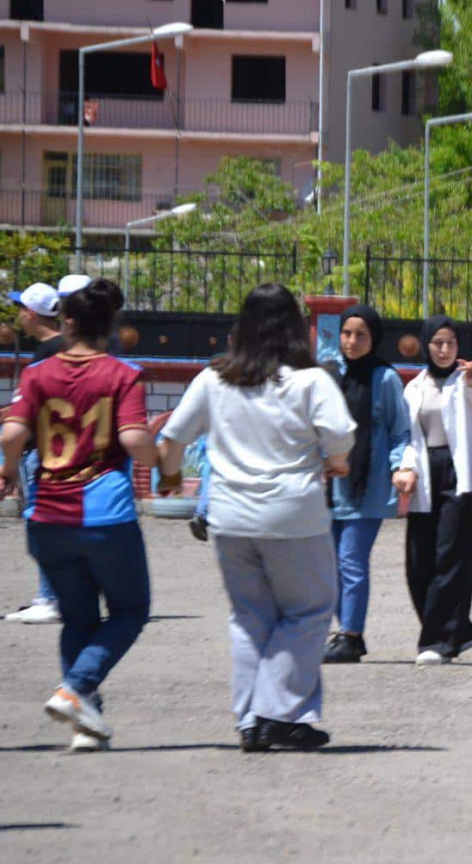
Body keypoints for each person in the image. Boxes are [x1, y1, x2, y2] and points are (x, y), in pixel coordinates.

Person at [158, 284, 355, 751]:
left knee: (249, 618)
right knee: (309, 610)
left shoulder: (214, 378)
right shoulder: (309, 381)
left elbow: (172, 438)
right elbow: (340, 435)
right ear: (296, 328)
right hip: (293, 516)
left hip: (230, 517)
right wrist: (336, 462)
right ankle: (274, 712)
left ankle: (252, 720)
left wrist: (170, 479)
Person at [0, 279, 155, 752]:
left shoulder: (37, 374)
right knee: (130, 610)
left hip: (47, 513)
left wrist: (8, 470)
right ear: (109, 325)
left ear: (66, 323)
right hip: (104, 513)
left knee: (77, 617)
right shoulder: (123, 373)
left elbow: (11, 434)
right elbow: (133, 440)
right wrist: (160, 459)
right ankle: (76, 688)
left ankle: (86, 724)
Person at [322, 303, 411, 665]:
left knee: (351, 560)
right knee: (327, 564)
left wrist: (399, 467)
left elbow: (400, 430)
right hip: (327, 487)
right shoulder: (327, 374)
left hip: (367, 486)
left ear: (374, 338)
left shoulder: (384, 378)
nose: (352, 341)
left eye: (361, 335)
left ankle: (351, 635)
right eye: (347, 333)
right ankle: (346, 630)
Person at [399, 316, 472, 666]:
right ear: (427, 344)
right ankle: (461, 631)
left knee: (450, 559)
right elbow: (408, 436)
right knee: (418, 563)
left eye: (451, 342)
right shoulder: (414, 387)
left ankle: (439, 642)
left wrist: (470, 379)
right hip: (425, 471)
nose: (445, 349)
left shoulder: (467, 380)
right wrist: (405, 468)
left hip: (459, 474)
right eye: (438, 342)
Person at [4, 281, 65, 624]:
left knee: (42, 523)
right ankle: (55, 595)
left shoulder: (46, 354)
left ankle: (50, 596)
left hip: (41, 450)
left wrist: (9, 463)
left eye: (20, 309)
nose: (18, 316)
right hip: (54, 448)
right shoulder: (65, 347)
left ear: (30, 313)